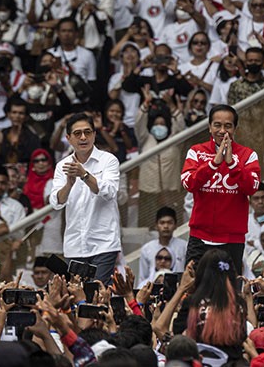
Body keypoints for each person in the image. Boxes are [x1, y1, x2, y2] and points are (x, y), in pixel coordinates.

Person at [181, 104, 261, 270]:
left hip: (232, 240)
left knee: (230, 293)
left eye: (228, 126)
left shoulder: (248, 155)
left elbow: (252, 187)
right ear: (209, 127)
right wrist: (213, 164)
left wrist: (232, 164)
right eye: (217, 125)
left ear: (235, 129)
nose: (222, 130)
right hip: (199, 238)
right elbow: (188, 183)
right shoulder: (196, 151)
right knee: (193, 290)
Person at [48, 113, 121, 284]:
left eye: (88, 132)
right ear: (68, 138)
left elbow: (110, 191)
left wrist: (85, 175)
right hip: (75, 244)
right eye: (77, 133)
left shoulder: (108, 160)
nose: (83, 137)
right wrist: (69, 184)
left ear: (94, 134)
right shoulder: (62, 165)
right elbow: (56, 202)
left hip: (104, 242)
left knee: (98, 296)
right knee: (77, 297)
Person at [138, 207, 188, 285]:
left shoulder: (184, 247)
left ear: (175, 225)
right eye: (162, 223)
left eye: (169, 222)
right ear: (156, 225)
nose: (166, 226)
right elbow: (143, 277)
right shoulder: (147, 249)